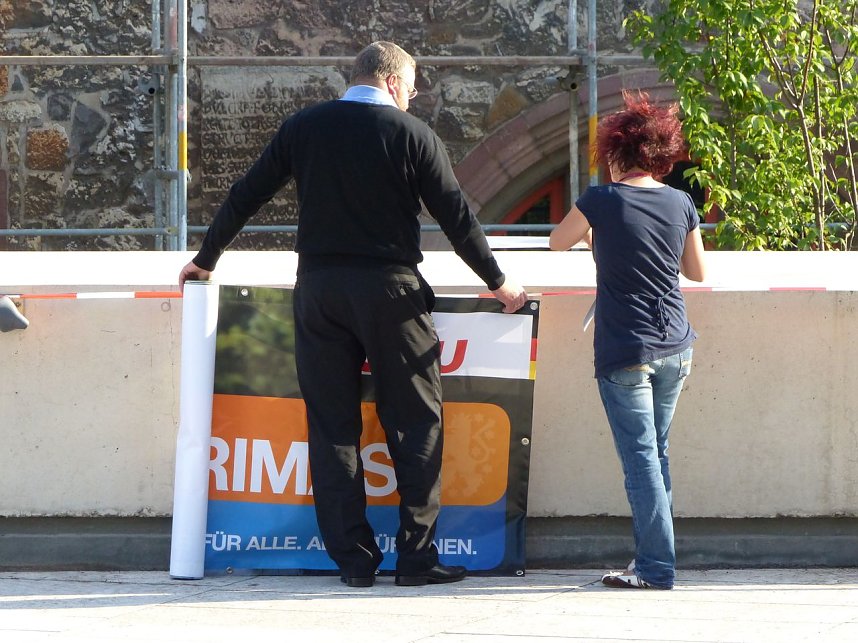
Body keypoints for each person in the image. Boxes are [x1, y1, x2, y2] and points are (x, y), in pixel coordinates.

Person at [178, 41, 527, 588]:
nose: (413, 97)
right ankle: (416, 557)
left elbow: (246, 195)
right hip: (391, 291)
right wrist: (499, 283)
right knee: (417, 422)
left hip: (318, 289)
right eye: (411, 88)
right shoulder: (413, 135)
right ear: (392, 82)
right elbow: (457, 218)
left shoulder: (305, 127)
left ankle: (353, 561)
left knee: (332, 426)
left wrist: (205, 260)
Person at [549, 91, 706, 590]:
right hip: (676, 345)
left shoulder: (601, 200)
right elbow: (697, 271)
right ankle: (653, 560)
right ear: (658, 155)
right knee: (655, 454)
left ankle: (657, 568)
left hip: (625, 349)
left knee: (641, 459)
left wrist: (599, 233)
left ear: (617, 152)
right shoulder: (680, 200)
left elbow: (557, 241)